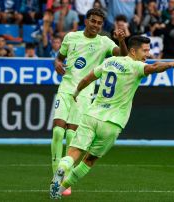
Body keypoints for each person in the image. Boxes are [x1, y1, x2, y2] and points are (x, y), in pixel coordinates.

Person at [49, 35, 174, 199]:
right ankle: (60, 189)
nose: (148, 55)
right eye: (145, 51)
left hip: (91, 116)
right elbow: (154, 67)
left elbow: (86, 79)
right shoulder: (136, 67)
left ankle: (62, 168)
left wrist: (77, 93)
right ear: (133, 51)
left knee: (73, 153)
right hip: (112, 124)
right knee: (89, 161)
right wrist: (171, 64)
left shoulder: (109, 62)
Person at [51, 7, 128, 196]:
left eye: (99, 23)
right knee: (58, 132)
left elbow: (123, 55)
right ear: (86, 21)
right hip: (66, 88)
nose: (96, 25)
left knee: (71, 136)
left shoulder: (104, 42)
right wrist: (57, 64)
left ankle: (65, 178)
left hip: (84, 93)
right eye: (93, 21)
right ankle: (55, 178)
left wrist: (121, 40)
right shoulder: (71, 37)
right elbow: (59, 57)